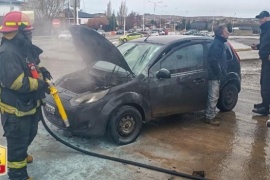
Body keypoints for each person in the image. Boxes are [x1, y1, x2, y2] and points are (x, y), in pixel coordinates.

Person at [0, 11, 52, 180]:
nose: (30, 33)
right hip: (15, 110)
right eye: (28, 30)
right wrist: (41, 84)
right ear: (18, 31)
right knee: (17, 142)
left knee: (30, 133)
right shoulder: (7, 53)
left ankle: (21, 154)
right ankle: (18, 175)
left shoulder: (22, 47)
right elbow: (17, 82)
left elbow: (32, 66)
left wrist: (41, 71)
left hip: (28, 104)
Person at [204, 24, 229, 126]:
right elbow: (213, 61)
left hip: (216, 74)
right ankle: (209, 117)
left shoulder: (220, 43)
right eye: (227, 31)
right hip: (214, 75)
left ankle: (211, 113)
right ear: (222, 33)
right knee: (213, 96)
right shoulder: (217, 44)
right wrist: (219, 74)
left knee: (215, 95)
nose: (228, 33)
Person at [251, 11, 270, 115]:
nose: (260, 20)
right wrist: (257, 47)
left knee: (266, 83)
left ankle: (265, 108)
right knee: (263, 82)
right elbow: (266, 43)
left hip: (268, 59)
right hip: (265, 58)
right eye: (259, 18)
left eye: (262, 18)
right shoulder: (265, 29)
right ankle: (265, 103)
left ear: (268, 18)